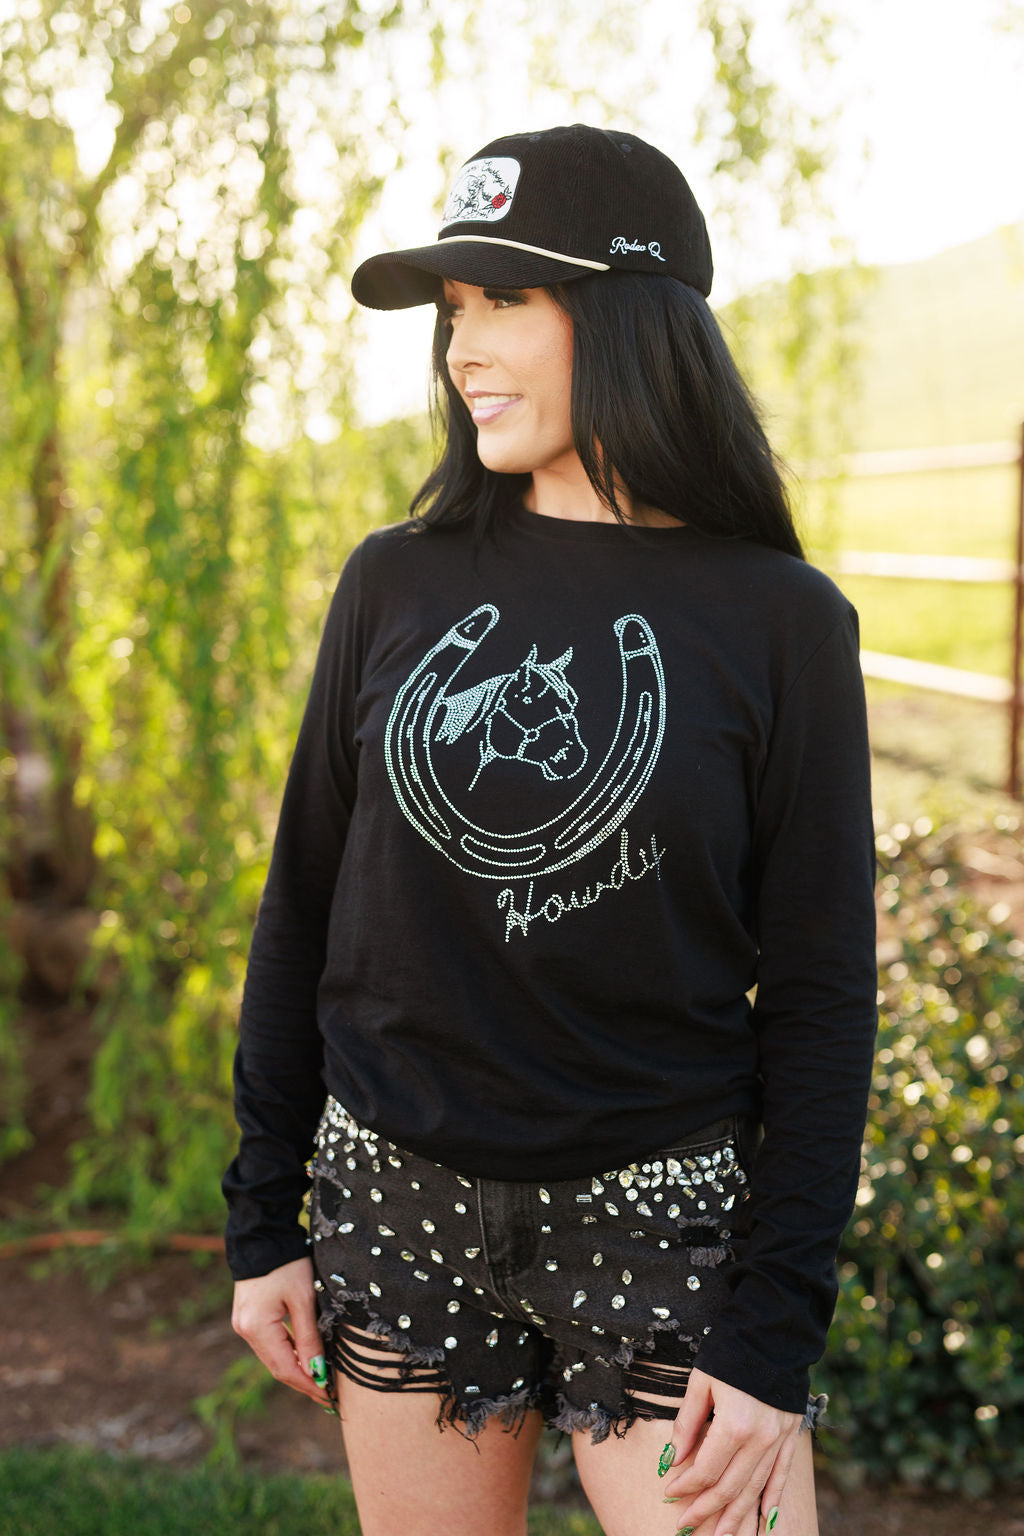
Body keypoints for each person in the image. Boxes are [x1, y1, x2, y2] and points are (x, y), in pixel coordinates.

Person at [222, 124, 877, 1536]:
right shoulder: (393, 584)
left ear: (631, 317)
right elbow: (306, 908)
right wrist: (263, 1217)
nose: (462, 348)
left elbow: (823, 996)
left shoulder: (782, 622)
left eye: (506, 299)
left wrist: (772, 1335)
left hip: (663, 1216)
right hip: (396, 1197)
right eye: (454, 309)